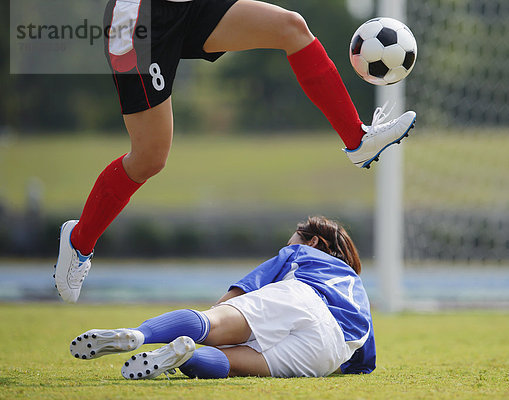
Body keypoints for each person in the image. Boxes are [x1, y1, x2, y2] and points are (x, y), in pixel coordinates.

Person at [54, 0, 416, 303]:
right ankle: (79, 240)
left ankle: (357, 140)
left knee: (291, 26)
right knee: (151, 157)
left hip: (191, 7)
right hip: (140, 21)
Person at [69, 216, 375, 379]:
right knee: (234, 363)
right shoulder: (359, 291)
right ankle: (187, 355)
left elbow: (248, 284)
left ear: (314, 241)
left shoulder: (302, 253)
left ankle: (139, 334)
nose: (288, 243)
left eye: (292, 238)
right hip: (329, 349)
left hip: (301, 297)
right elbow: (363, 362)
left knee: (209, 325)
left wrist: (214, 318)